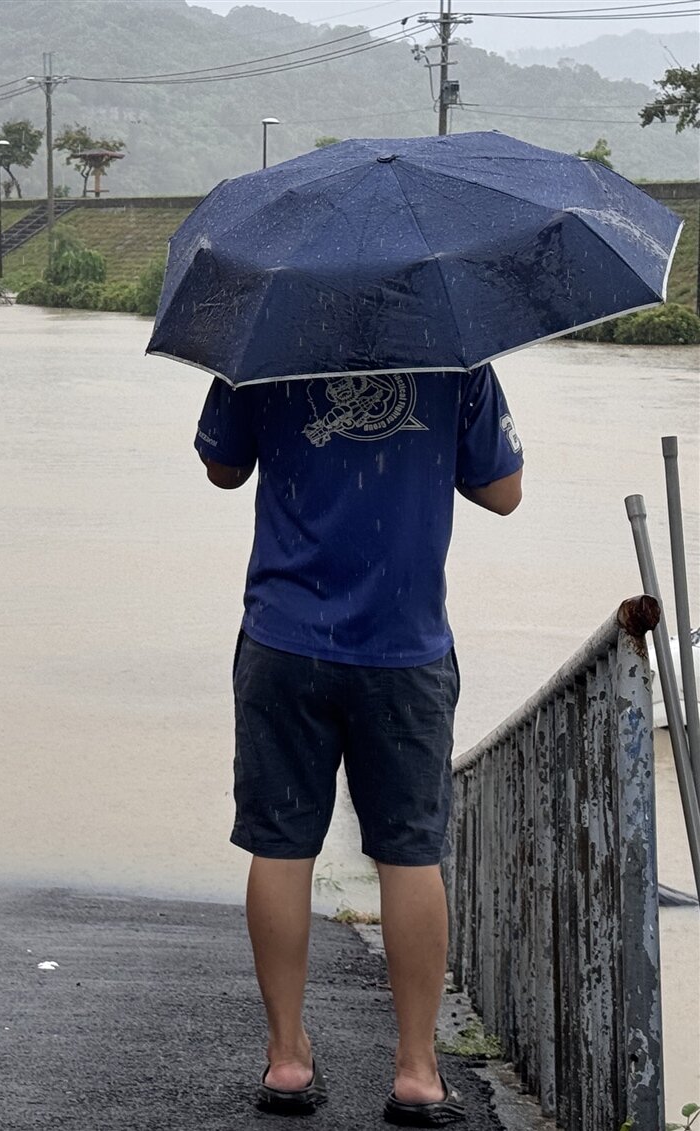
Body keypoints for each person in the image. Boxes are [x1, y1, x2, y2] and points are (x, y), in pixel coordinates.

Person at [195, 366, 523, 1125]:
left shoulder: (270, 333)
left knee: (280, 844)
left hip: (286, 637)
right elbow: (503, 491)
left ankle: (286, 1059)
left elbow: (221, 467)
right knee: (409, 853)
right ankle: (415, 1070)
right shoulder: (453, 351)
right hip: (403, 647)